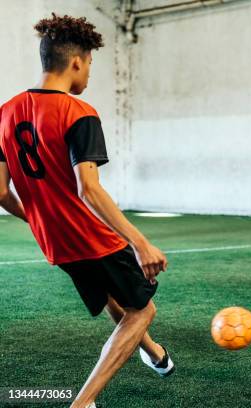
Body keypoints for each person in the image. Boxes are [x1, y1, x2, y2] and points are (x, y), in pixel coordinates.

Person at [0, 14, 174, 408]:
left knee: (118, 299)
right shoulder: (78, 112)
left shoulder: (6, 112)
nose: (90, 72)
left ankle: (155, 354)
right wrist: (141, 242)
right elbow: (89, 190)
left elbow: (0, 192)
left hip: (55, 243)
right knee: (142, 311)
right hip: (90, 236)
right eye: (91, 63)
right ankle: (84, 402)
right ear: (76, 61)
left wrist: (40, 219)